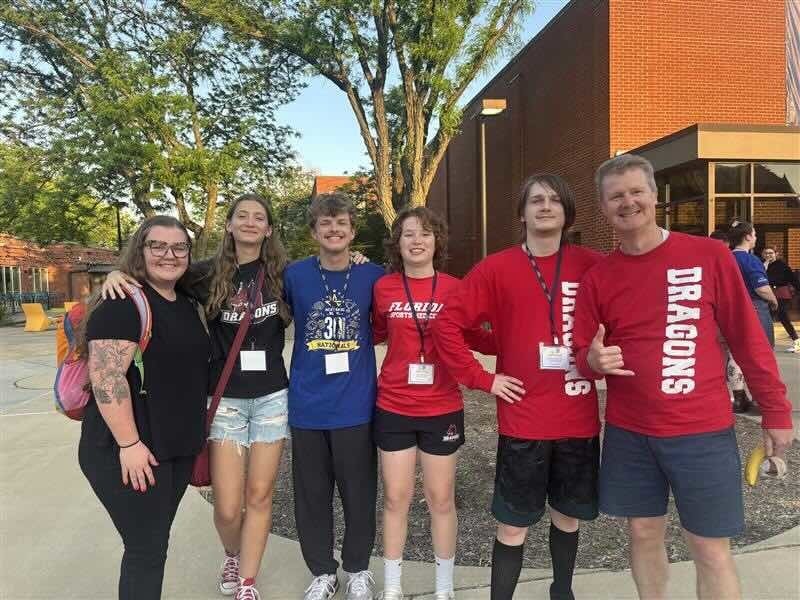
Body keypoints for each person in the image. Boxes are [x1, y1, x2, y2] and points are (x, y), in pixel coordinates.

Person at [573, 154, 793, 600]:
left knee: (710, 548)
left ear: (655, 197)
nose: (628, 202)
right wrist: (591, 362)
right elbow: (582, 353)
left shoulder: (708, 256)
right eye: (616, 196)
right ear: (603, 207)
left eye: (637, 191)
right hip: (630, 433)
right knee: (643, 534)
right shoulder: (599, 278)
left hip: (702, 431)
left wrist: (776, 411)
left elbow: (749, 341)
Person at [433, 174, 603, 600]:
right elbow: (448, 323)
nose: (545, 207)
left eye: (554, 201)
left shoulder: (593, 265)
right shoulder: (497, 267)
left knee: (568, 518)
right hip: (524, 422)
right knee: (512, 525)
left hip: (578, 418)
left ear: (567, 212)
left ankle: (561, 592)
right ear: (522, 213)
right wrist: (482, 377)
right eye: (536, 200)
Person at [77, 215, 210, 599]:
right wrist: (129, 445)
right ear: (141, 250)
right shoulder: (122, 303)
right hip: (130, 450)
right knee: (146, 550)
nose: (169, 254)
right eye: (158, 246)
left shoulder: (186, 301)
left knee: (152, 542)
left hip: (174, 447)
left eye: (179, 246)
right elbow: (106, 378)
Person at [371, 207, 495, 600]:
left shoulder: (456, 288)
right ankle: (393, 586)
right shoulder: (384, 288)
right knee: (396, 497)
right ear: (398, 243)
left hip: (441, 406)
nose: (417, 240)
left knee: (441, 498)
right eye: (408, 234)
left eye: (425, 233)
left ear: (437, 241)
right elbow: (373, 332)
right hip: (394, 404)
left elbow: (475, 335)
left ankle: (444, 588)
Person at [283, 192, 385, 600]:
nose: (334, 229)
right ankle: (323, 571)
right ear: (314, 232)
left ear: (353, 231)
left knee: (359, 492)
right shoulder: (294, 275)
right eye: (325, 223)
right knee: (311, 495)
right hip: (307, 406)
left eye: (341, 222)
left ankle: (358, 568)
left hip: (356, 404)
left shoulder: (372, 275)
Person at [709, 229, 750, 413]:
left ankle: (717, 395)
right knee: (734, 355)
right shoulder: (729, 259)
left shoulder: (701, 260)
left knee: (718, 355)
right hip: (727, 312)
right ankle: (739, 397)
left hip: (709, 315)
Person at [728, 220, 778, 349]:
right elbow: (761, 288)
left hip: (730, 308)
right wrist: (773, 300)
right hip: (754, 307)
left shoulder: (726, 257)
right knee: (762, 348)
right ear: (747, 236)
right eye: (754, 235)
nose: (755, 238)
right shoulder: (751, 259)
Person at [762, 246, 800, 353]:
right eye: (766, 253)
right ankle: (768, 343)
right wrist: (764, 266)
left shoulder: (782, 266)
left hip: (781, 294)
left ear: (776, 254)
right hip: (768, 294)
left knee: (781, 316)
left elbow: (793, 279)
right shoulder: (762, 265)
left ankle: (796, 340)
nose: (768, 255)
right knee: (768, 318)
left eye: (771, 253)